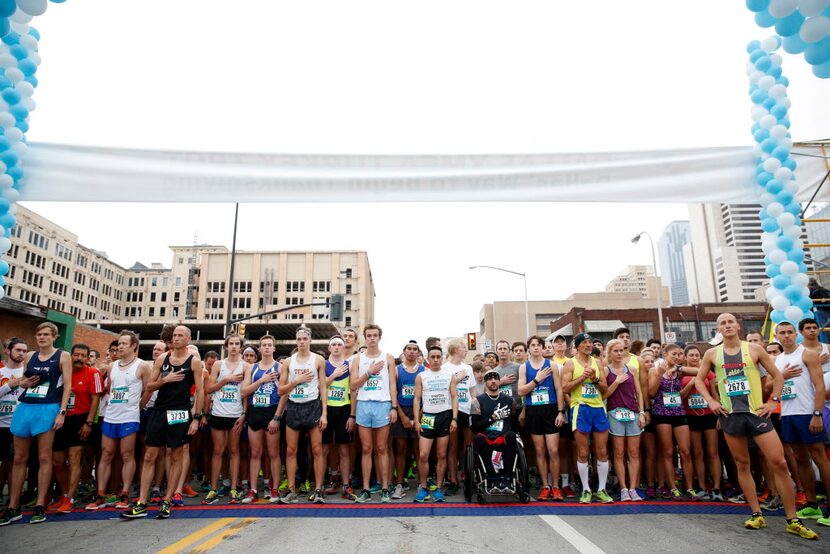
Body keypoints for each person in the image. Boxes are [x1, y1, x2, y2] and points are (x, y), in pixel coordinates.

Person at [694, 313, 817, 539]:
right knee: (742, 465)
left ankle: (792, 519)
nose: (728, 325)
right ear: (718, 329)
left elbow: (778, 377)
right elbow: (699, 380)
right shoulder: (712, 353)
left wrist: (773, 402)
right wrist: (711, 402)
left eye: (731, 321)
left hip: (756, 414)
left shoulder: (754, 349)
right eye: (723, 323)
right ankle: (756, 514)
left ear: (738, 326)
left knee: (779, 462)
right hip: (731, 416)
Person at [122, 325, 204, 520]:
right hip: (159, 410)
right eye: (174, 335)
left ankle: (167, 500)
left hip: (180, 411)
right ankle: (142, 502)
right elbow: (149, 385)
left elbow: (200, 391)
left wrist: (197, 417)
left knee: (176, 455)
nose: (176, 338)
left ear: (188, 339)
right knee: (149, 455)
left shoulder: (194, 362)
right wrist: (165, 380)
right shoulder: (162, 359)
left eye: (180, 336)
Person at [1, 322, 72, 526]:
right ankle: (12, 507)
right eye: (39, 334)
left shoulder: (62, 356)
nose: (42, 337)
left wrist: (62, 412)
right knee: (19, 458)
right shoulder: (30, 355)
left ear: (54, 337)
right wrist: (22, 383)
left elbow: (67, 386)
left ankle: (40, 504)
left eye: (46, 335)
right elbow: (24, 380)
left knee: (43, 456)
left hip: (48, 407)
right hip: (26, 406)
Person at [774, 321, 830, 522]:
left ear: (795, 334)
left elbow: (820, 385)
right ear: (777, 336)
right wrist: (782, 375)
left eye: (790, 332)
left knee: (820, 457)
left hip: (808, 412)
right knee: (800, 460)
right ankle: (812, 504)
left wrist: (817, 413)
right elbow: (771, 386)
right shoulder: (777, 359)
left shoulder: (807, 354)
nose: (787, 336)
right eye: (782, 333)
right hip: (789, 415)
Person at [87, 332, 149, 511]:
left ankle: (124, 493)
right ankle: (100, 495)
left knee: (126, 454)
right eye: (119, 344)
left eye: (124, 344)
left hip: (129, 416)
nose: (120, 347)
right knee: (106, 453)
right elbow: (107, 389)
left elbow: (149, 389)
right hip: (110, 415)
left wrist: (139, 406)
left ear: (133, 347)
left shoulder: (142, 366)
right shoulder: (112, 366)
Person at [561, 333, 613, 504]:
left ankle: (602, 489)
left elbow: (605, 388)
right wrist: (582, 377)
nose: (589, 345)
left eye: (590, 342)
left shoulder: (598, 362)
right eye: (584, 342)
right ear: (577, 346)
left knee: (602, 451)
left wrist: (595, 379)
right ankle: (585, 490)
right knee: (583, 452)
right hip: (580, 408)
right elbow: (564, 388)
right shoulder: (570, 363)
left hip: (598, 408)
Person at [278, 326, 328, 504]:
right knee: (291, 450)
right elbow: (280, 390)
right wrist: (296, 381)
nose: (301, 342)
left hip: (312, 406)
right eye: (298, 339)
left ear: (310, 340)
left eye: (304, 339)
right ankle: (291, 490)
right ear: (295, 341)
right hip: (294, 407)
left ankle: (318, 489)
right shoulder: (288, 362)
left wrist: (324, 414)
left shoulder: (318, 360)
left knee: (316, 450)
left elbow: (323, 387)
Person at [351, 324, 398, 503]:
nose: (372, 338)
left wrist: (394, 407)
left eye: (375, 335)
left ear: (379, 337)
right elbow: (353, 385)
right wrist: (369, 373)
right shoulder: (358, 359)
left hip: (383, 404)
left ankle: (385, 487)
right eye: (369, 335)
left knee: (382, 448)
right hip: (364, 404)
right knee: (366, 448)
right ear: (365, 337)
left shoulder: (388, 357)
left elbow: (393, 384)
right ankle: (365, 489)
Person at [202, 334, 248, 505]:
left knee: (234, 451)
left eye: (237, 344)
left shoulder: (246, 366)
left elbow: (246, 393)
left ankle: (234, 488)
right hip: (219, 413)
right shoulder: (218, 365)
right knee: (218, 451)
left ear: (241, 347)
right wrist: (226, 379)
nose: (234, 347)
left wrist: (244, 414)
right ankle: (214, 489)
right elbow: (209, 389)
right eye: (231, 344)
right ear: (226, 347)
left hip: (235, 413)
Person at [518, 335, 565, 501]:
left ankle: (556, 486)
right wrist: (537, 380)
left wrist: (561, 411)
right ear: (529, 348)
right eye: (533, 345)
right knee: (539, 450)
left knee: (553, 450)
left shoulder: (551, 365)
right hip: (533, 411)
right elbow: (521, 391)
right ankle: (545, 486)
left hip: (551, 409)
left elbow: (559, 389)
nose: (536, 347)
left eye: (539, 345)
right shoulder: (524, 367)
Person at [240, 335, 286, 504]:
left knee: (273, 453)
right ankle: (252, 490)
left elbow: (284, 394)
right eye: (264, 345)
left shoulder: (280, 367)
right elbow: (244, 391)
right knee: (255, 452)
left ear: (274, 348)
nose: (266, 348)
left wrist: (277, 417)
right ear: (260, 349)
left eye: (269, 345)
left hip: (271, 412)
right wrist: (262, 380)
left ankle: (275, 488)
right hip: (255, 412)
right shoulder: (252, 368)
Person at [649, 343, 697, 500]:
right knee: (668, 451)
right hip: (661, 413)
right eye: (674, 354)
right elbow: (651, 392)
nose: (678, 357)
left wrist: (682, 373)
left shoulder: (679, 370)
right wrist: (660, 374)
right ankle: (673, 487)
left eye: (680, 354)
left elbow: (700, 371)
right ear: (665, 354)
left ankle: (689, 487)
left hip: (678, 411)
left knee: (685, 451)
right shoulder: (655, 369)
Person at [603, 339, 646, 502]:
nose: (619, 354)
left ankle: (633, 488)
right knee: (619, 453)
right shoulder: (606, 371)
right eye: (616, 351)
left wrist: (641, 412)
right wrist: (616, 382)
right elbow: (604, 395)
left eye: (622, 350)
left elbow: (639, 392)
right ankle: (623, 488)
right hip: (615, 414)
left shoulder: (632, 369)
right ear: (610, 353)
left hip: (633, 413)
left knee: (634, 453)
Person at [413, 345, 458, 502]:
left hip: (444, 416)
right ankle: (423, 487)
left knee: (441, 454)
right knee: (423, 455)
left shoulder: (448, 375)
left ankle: (438, 487)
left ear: (442, 357)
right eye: (433, 357)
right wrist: (417, 420)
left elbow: (454, 397)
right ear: (428, 358)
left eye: (438, 357)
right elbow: (417, 399)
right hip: (427, 417)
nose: (436, 360)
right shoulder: (421, 376)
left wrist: (454, 418)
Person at [680, 344, 722, 501]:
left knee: (713, 452)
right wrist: (690, 384)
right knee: (697, 453)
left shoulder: (708, 373)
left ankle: (717, 487)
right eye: (691, 355)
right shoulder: (682, 373)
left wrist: (719, 416)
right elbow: (679, 397)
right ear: (685, 357)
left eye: (697, 355)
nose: (694, 358)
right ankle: (702, 487)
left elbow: (714, 394)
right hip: (690, 416)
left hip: (709, 414)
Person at [470, 369, 521, 491]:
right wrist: (492, 418)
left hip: (504, 437)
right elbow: (474, 427)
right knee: (479, 439)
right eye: (489, 379)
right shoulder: (477, 401)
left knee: (511, 436)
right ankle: (492, 478)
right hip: (486, 438)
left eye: (495, 378)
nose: (493, 381)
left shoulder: (510, 400)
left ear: (499, 381)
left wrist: (517, 435)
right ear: (485, 382)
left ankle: (508, 478)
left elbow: (514, 423)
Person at [321, 335, 356, 501]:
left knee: (343, 449)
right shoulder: (323, 364)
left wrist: (352, 415)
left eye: (339, 345)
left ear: (343, 348)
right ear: (329, 348)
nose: (336, 347)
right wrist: (334, 375)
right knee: (325, 448)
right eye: (333, 344)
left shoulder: (350, 365)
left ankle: (345, 484)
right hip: (326, 410)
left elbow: (354, 390)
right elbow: (320, 387)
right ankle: (328, 481)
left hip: (344, 409)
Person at [392, 341, 424, 500]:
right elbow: (393, 394)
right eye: (409, 349)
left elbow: (428, 397)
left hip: (421, 412)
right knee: (401, 450)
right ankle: (399, 484)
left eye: (415, 349)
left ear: (418, 353)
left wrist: (418, 416)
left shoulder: (424, 371)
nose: (411, 352)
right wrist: (403, 416)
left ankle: (421, 484)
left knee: (420, 451)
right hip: (401, 412)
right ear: (404, 352)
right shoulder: (397, 371)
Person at [0, 338, 27, 503]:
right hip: (0, 423)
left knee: (13, 461)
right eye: (18, 350)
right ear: (8, 351)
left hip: (16, 425)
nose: (22, 354)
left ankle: (12, 499)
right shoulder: (1, 372)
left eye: (24, 351)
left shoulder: (27, 371)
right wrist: (9, 386)